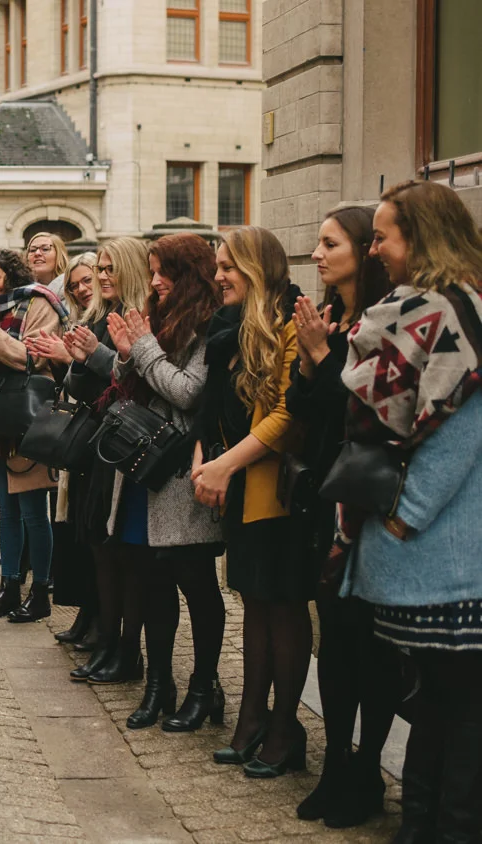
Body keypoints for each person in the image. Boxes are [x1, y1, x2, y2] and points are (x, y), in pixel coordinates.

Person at [338, 181, 482, 842]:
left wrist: (402, 518)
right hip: (434, 559)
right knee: (444, 711)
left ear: (419, 239)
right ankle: (422, 829)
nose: (376, 249)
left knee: (455, 715)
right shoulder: (425, 316)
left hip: (447, 559)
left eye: (384, 235)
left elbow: (459, 439)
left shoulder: (454, 318)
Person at [286, 206, 399, 829]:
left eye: (329, 243)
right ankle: (335, 762)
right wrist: (310, 360)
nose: (318, 254)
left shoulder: (384, 324)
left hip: (371, 497)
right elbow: (304, 407)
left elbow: (368, 407)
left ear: (363, 250)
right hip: (327, 493)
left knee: (371, 642)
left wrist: (323, 357)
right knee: (333, 637)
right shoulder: (330, 318)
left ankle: (368, 769)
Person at [97, 232, 224, 729]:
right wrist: (127, 353)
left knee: (195, 582)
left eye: (161, 272)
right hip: (140, 469)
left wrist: (143, 349)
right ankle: (158, 685)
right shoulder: (159, 318)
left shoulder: (208, 325)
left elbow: (188, 392)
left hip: (178, 473)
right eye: (150, 271)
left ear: (188, 273)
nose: (153, 281)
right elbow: (139, 385)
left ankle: (203, 687)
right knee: (150, 583)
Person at [192, 227, 309, 765]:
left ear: (257, 268)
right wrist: (203, 454)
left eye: (228, 267)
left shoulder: (290, 319)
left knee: (281, 606)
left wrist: (223, 464)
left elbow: (289, 415)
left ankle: (285, 729)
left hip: (280, 492)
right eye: (217, 266)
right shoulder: (234, 328)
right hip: (241, 485)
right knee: (253, 604)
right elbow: (215, 405)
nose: (218, 277)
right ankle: (253, 716)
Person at [57, 239, 153, 684]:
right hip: (98, 440)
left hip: (127, 444)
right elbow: (82, 383)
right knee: (98, 543)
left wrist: (95, 354)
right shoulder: (96, 313)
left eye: (111, 267)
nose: (103, 275)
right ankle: (107, 640)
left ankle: (124, 650)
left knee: (121, 555)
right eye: (101, 268)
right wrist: (77, 360)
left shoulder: (140, 315)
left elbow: (135, 374)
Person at [0, 247, 66, 623]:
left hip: (30, 416)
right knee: (6, 511)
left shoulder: (40, 302)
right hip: (0, 419)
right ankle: (8, 587)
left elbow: (31, 358)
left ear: (12, 276)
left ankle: (39, 594)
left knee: (34, 513)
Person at [26, 251, 98, 643]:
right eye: (76, 285)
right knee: (75, 532)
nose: (84, 289)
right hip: (78, 434)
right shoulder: (79, 319)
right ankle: (87, 614)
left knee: (92, 536)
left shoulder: (107, 319)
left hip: (97, 438)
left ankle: (100, 622)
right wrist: (62, 360)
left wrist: (67, 358)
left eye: (89, 280)